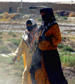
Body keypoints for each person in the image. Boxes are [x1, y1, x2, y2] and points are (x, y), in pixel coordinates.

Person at [29, 8, 68, 84]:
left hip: (50, 56)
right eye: (41, 15)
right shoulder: (43, 24)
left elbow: (58, 39)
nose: (42, 16)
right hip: (40, 54)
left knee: (53, 76)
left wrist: (47, 38)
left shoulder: (54, 25)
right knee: (37, 72)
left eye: (44, 15)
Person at [12, 19, 38, 84]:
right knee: (26, 75)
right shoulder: (25, 36)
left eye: (30, 25)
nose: (28, 26)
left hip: (37, 61)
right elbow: (21, 48)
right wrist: (16, 56)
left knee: (34, 77)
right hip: (28, 60)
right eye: (27, 25)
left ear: (33, 25)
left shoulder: (39, 35)